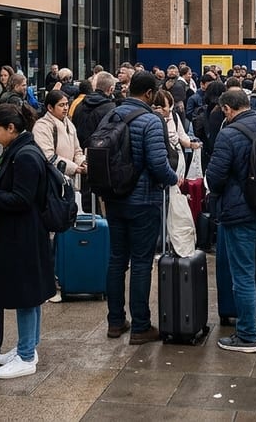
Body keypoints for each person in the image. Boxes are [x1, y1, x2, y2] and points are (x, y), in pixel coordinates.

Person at [0, 103, 56, 379]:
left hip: (22, 234)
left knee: (25, 295)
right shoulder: (21, 150)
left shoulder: (24, 155)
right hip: (24, 232)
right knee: (30, 293)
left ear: (11, 128)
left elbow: (21, 199)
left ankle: (26, 355)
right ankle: (28, 347)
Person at [103, 71, 179, 345]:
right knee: (141, 263)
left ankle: (115, 322)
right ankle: (141, 326)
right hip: (143, 201)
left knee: (116, 260)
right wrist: (174, 179)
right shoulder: (151, 120)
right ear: (149, 93)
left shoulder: (110, 115)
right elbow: (158, 164)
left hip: (114, 198)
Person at [205, 89, 256, 353]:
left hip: (240, 214)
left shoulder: (228, 135)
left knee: (244, 275)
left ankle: (247, 335)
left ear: (227, 109)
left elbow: (215, 179)